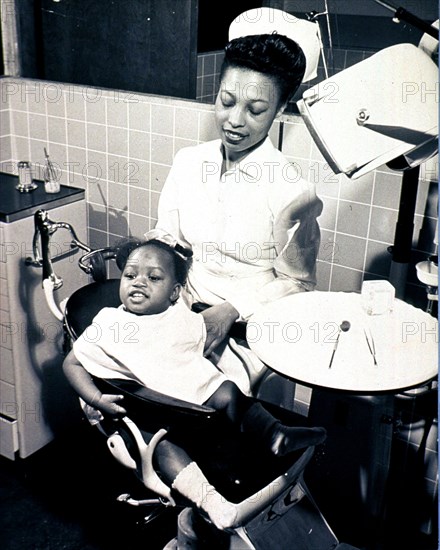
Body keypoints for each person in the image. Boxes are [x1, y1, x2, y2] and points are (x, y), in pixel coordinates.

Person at [63, 235, 326, 530]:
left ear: (174, 293)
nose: (138, 282)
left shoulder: (178, 316)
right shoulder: (110, 323)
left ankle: (275, 434)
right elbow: (71, 363)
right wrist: (97, 399)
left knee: (229, 391)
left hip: (202, 410)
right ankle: (212, 502)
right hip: (156, 412)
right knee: (163, 446)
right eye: (130, 275)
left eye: (153, 278)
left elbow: (196, 342)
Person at [155, 30, 323, 395]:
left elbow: (299, 283)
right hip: (182, 308)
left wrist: (230, 310)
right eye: (226, 101)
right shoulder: (188, 163)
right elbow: (168, 239)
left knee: (206, 402)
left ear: (279, 110)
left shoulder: (291, 190)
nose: (234, 120)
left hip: (250, 329)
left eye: (255, 110)